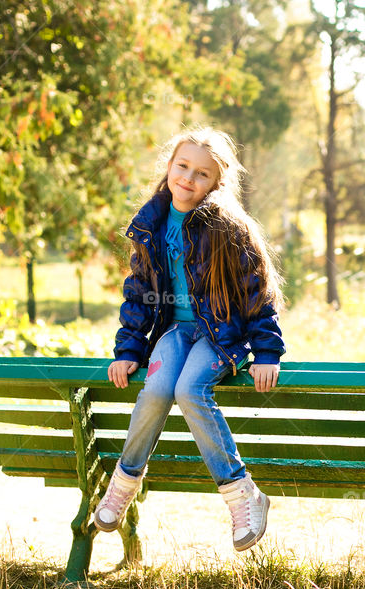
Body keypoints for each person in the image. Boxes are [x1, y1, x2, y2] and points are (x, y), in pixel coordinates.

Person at [97, 126, 285, 552]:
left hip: (220, 335)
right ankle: (124, 483)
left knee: (189, 389)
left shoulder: (227, 228)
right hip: (174, 333)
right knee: (158, 388)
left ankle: (242, 494)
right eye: (182, 166)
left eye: (201, 173)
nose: (188, 178)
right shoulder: (151, 223)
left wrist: (267, 352)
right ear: (169, 167)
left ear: (216, 183)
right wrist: (129, 350)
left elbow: (257, 293)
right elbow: (140, 292)